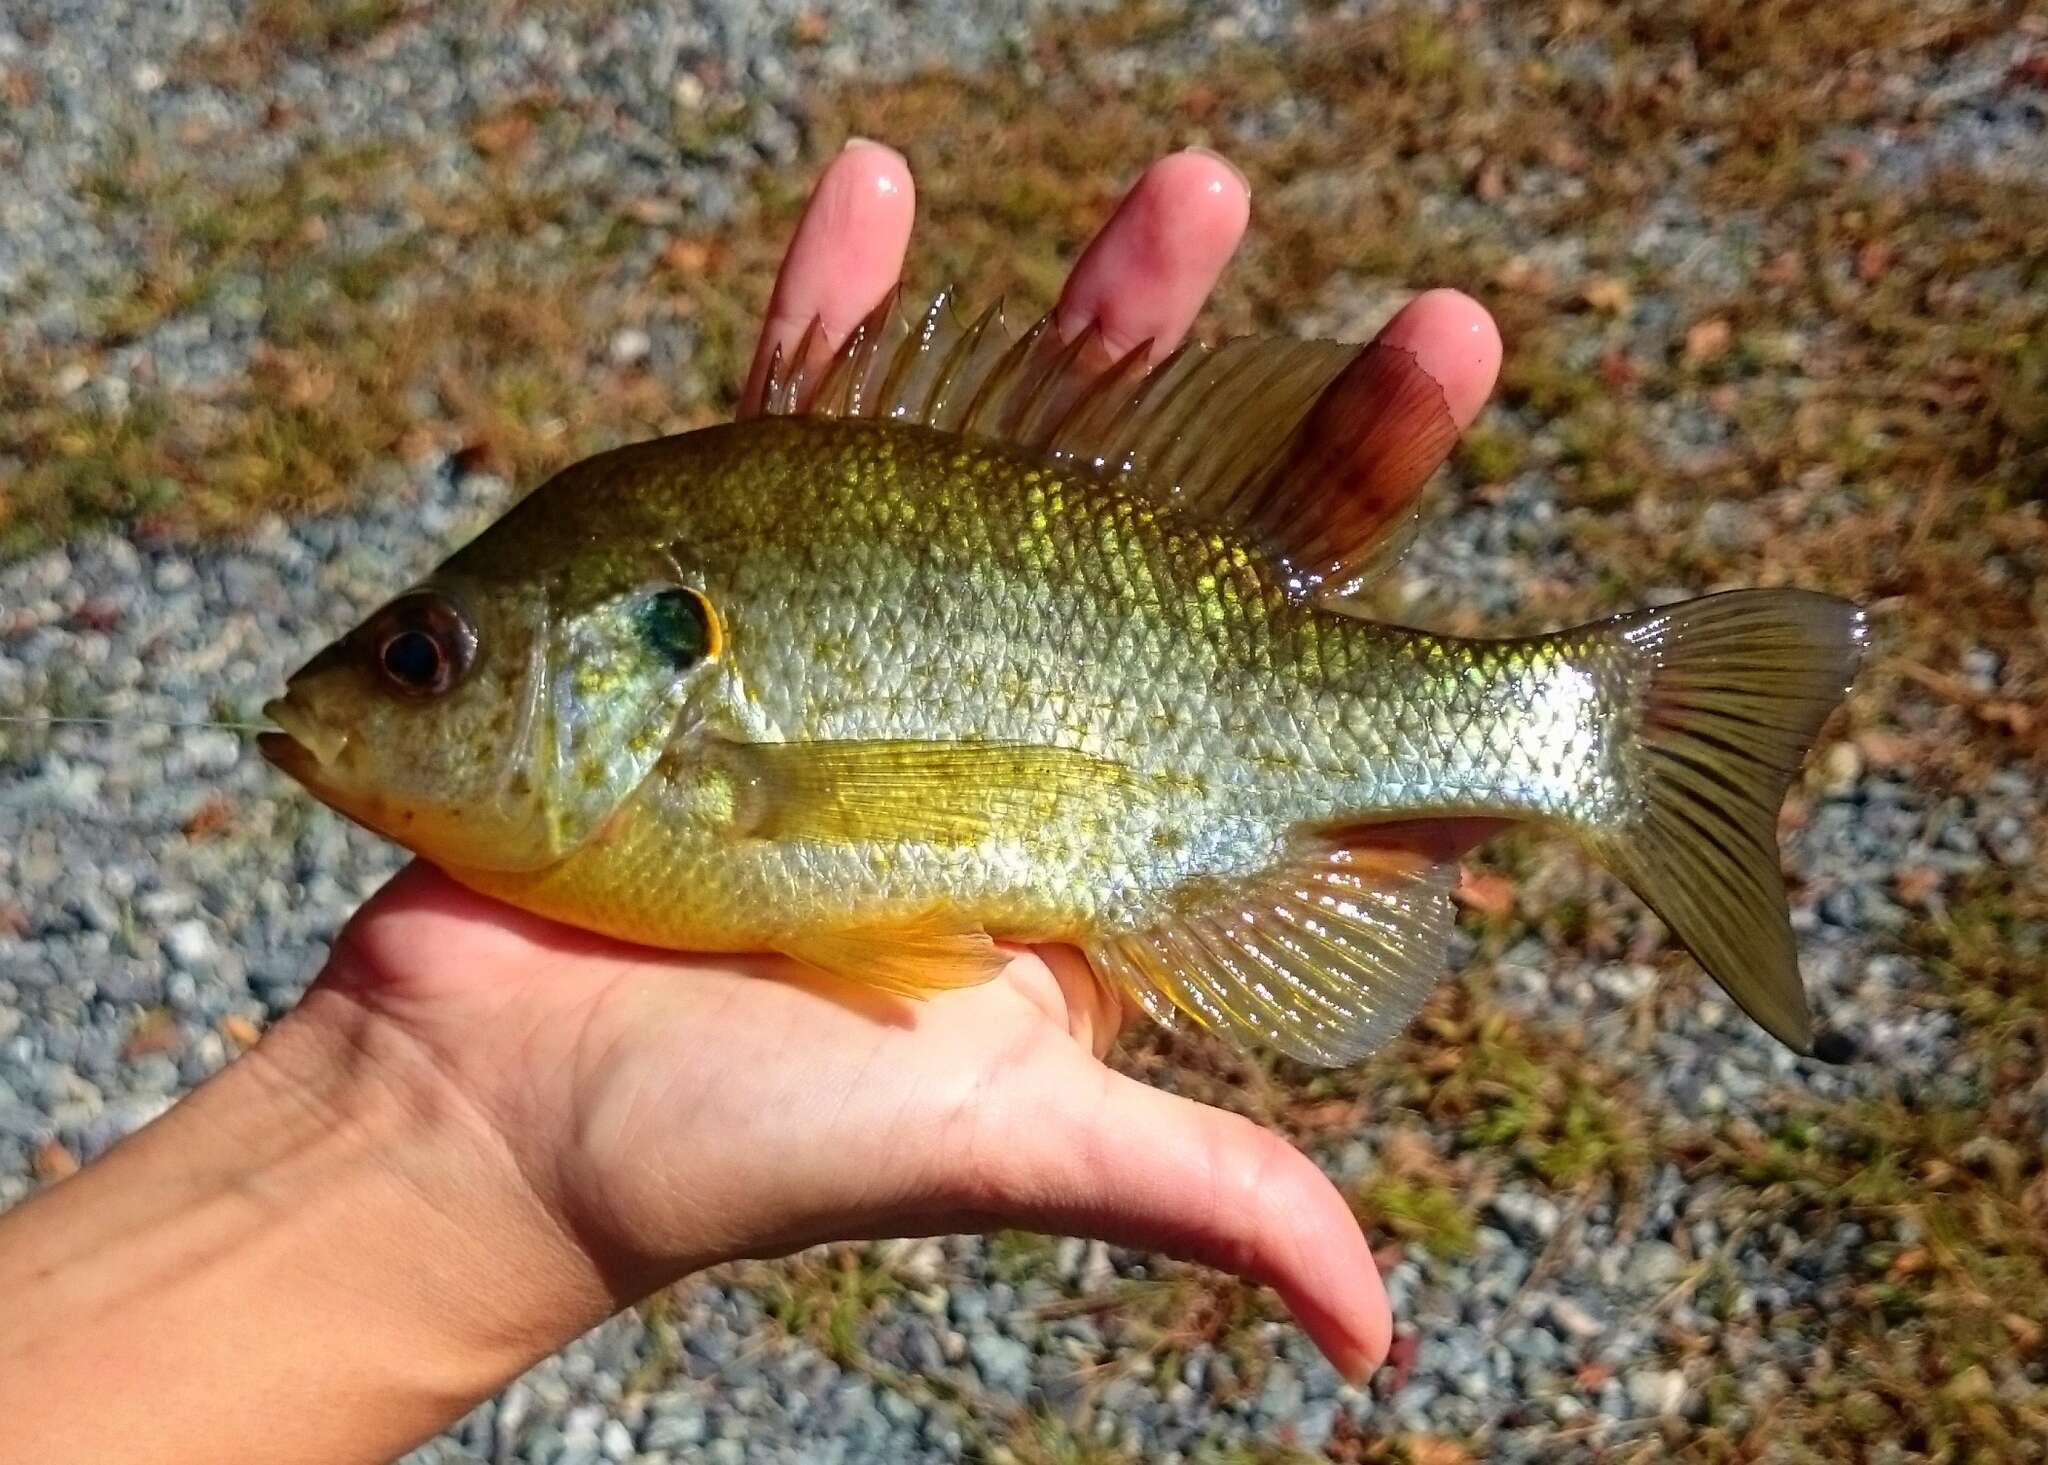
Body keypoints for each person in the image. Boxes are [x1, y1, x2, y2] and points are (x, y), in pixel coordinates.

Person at [0, 142, 1501, 1463]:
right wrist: (430, 1137)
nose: (366, 699)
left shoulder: (670, 765)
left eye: (425, 661)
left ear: (657, 652)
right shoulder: (612, 801)